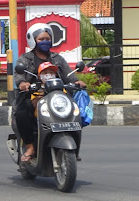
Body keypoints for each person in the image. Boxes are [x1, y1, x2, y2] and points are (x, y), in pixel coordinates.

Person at [13, 23, 86, 162]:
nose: (45, 41)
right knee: (22, 114)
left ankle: (72, 146)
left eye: (47, 38)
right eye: (41, 39)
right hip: (33, 96)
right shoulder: (25, 59)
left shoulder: (57, 58)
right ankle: (30, 146)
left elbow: (68, 74)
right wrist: (23, 83)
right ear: (33, 40)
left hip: (57, 97)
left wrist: (76, 82)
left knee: (74, 113)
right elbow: (18, 74)